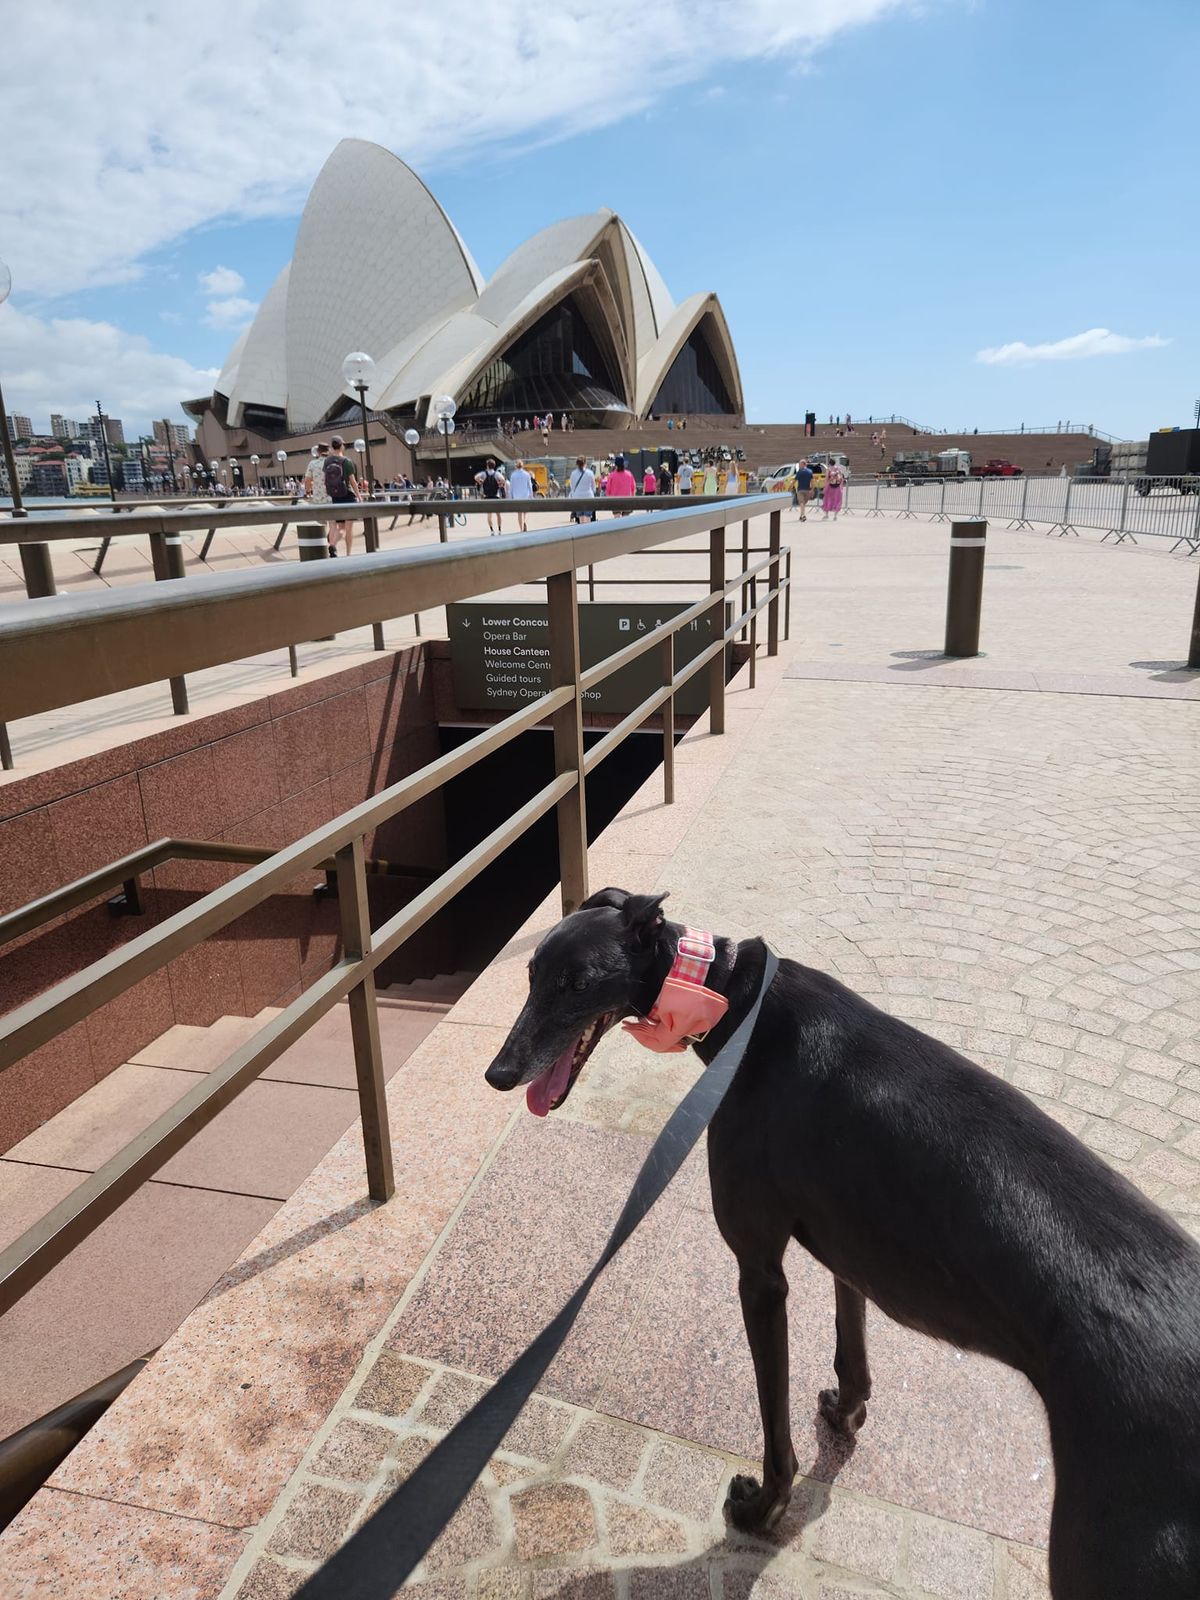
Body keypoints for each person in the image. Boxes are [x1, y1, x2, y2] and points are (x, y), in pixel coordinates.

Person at [324, 437, 359, 555]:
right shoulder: (346, 461)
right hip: (348, 496)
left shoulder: (327, 461)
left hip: (336, 496)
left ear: (332, 446)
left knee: (341, 527)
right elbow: (353, 481)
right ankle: (348, 554)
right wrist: (359, 496)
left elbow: (326, 480)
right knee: (348, 528)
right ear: (342, 446)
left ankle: (332, 544)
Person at [303, 442, 332, 548]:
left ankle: (323, 544)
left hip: (319, 499)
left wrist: (308, 491)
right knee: (333, 523)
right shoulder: (333, 462)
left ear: (318, 451)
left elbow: (307, 480)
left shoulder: (313, 464)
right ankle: (332, 544)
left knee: (322, 523)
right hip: (332, 498)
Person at [475, 457, 506, 533]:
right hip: (496, 496)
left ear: (487, 465)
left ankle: (492, 530)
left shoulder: (483, 474)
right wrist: (500, 484)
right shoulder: (497, 474)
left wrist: (480, 482)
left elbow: (476, 477)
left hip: (487, 496)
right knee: (498, 514)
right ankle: (499, 529)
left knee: (489, 514)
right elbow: (503, 479)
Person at [508, 458, 534, 531]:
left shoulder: (513, 475)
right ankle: (524, 521)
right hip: (525, 496)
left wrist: (510, 498)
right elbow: (530, 486)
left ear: (516, 466)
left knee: (519, 514)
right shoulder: (527, 474)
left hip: (517, 497)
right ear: (522, 466)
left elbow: (511, 488)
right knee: (525, 512)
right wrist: (531, 496)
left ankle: (521, 529)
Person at [568, 454, 595, 522]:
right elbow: (593, 487)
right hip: (588, 497)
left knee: (581, 519)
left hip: (577, 497)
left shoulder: (573, 473)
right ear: (585, 463)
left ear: (577, 464)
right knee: (588, 517)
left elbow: (572, 486)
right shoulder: (590, 473)